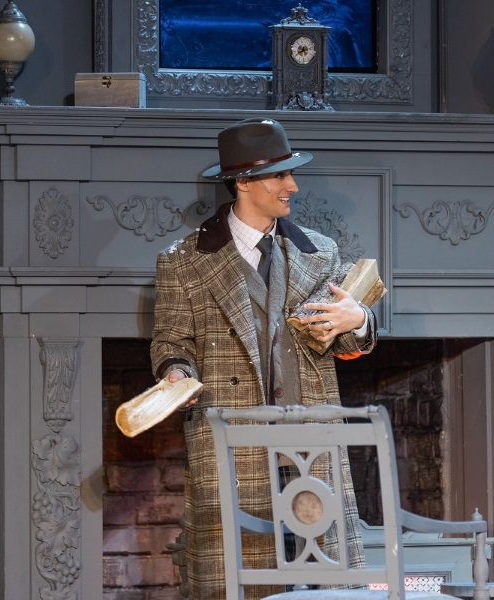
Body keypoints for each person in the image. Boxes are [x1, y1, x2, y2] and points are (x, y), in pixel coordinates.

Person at [150, 117, 377, 599]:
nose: (292, 186)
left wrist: (357, 319)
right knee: (239, 578)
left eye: (290, 174)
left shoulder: (320, 252)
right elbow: (172, 341)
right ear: (244, 182)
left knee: (326, 580)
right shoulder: (184, 260)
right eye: (279, 175)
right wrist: (176, 375)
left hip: (311, 438)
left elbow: (343, 341)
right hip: (232, 439)